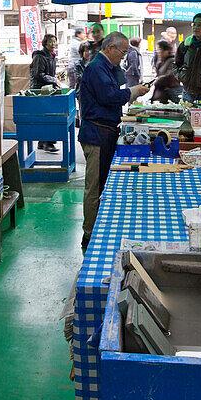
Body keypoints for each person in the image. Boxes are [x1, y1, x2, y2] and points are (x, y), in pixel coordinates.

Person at [79, 32, 149, 248]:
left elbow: (119, 82)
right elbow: (109, 97)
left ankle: (98, 227)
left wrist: (125, 77)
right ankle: (89, 234)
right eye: (122, 52)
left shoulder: (106, 67)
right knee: (95, 186)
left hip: (106, 131)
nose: (124, 56)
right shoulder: (96, 68)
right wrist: (134, 92)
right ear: (109, 48)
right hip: (96, 134)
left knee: (102, 184)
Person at [30, 34, 60, 153]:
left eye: (55, 42)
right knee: (48, 116)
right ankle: (48, 143)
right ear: (45, 43)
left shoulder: (51, 56)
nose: (53, 44)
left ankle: (43, 142)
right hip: (40, 91)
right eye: (51, 42)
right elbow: (39, 74)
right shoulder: (40, 56)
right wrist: (53, 80)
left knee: (46, 116)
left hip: (47, 89)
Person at [173, 12, 201, 102]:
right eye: (194, 24)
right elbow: (176, 64)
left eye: (199, 25)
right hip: (188, 91)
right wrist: (180, 76)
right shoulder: (186, 44)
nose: (195, 27)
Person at [70, 41, 92, 126]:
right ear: (81, 52)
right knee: (83, 113)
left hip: (94, 92)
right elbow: (79, 78)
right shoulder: (78, 64)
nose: (87, 53)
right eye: (85, 51)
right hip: (82, 92)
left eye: (89, 51)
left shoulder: (95, 63)